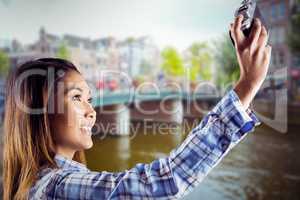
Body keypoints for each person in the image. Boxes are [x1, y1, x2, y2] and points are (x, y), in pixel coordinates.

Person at [3, 15, 271, 200]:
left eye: (90, 99)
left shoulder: (35, 182)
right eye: (76, 97)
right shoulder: (57, 187)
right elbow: (166, 181)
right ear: (38, 111)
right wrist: (247, 85)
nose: (92, 111)